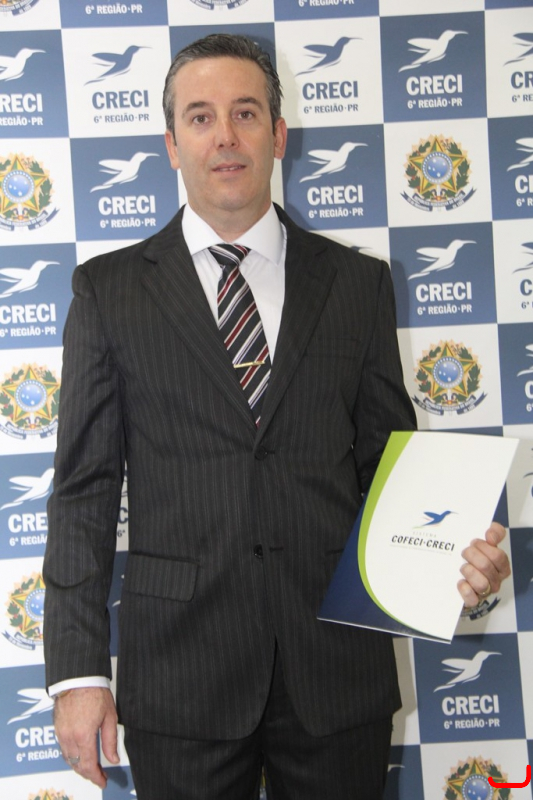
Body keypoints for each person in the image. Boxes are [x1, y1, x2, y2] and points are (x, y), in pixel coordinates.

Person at [43, 33, 511, 800]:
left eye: (245, 112)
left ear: (278, 134)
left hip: (335, 671)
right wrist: (77, 673)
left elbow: (386, 470)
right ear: (171, 144)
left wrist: (450, 558)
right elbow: (83, 494)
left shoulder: (357, 284)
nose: (224, 135)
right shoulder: (109, 291)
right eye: (200, 117)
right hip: (181, 675)